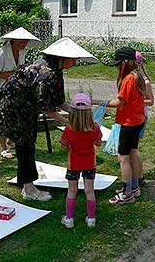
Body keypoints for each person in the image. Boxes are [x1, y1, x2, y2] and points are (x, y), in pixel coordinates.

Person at [0, 37, 98, 201]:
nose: (75, 62)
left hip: (24, 107)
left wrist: (81, 115)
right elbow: (47, 108)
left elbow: (59, 102)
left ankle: (27, 185)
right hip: (15, 108)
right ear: (62, 57)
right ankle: (29, 189)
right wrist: (73, 123)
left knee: (27, 145)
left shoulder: (55, 69)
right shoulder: (46, 73)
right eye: (74, 59)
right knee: (25, 146)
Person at [93, 47, 148, 204]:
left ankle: (127, 193)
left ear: (125, 63)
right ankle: (135, 187)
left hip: (129, 123)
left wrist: (99, 102)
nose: (117, 67)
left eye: (118, 64)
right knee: (132, 151)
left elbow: (119, 102)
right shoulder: (137, 76)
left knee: (122, 157)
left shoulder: (128, 79)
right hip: (138, 120)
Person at [0, 27, 42, 159]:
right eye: (21, 41)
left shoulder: (22, 52)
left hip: (14, 90)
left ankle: (10, 140)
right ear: (13, 40)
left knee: (14, 116)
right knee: (0, 118)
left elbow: (19, 68)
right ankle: (4, 148)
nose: (24, 44)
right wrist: (14, 74)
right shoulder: (2, 53)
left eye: (26, 41)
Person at [60, 93, 102, 228]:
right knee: (89, 190)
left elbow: (64, 147)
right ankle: (91, 219)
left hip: (74, 164)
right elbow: (98, 143)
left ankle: (69, 219)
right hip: (90, 163)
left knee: (72, 190)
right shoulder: (95, 128)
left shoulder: (69, 130)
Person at [135, 51, 154, 187]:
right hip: (132, 116)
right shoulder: (132, 78)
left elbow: (151, 101)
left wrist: (134, 102)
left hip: (140, 116)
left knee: (133, 149)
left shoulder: (145, 81)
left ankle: (139, 176)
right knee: (132, 149)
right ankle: (137, 176)